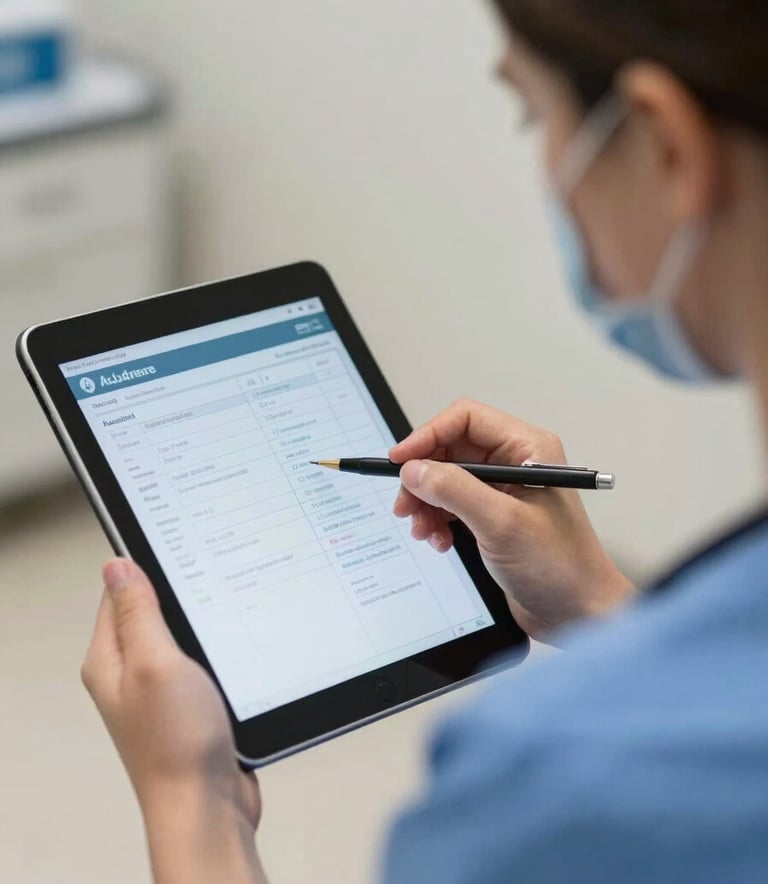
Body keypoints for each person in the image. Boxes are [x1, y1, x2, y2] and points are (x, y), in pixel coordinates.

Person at [80, 1, 768, 881]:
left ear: (667, 146)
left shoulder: (561, 781)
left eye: (535, 112)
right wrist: (598, 605)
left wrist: (193, 798)